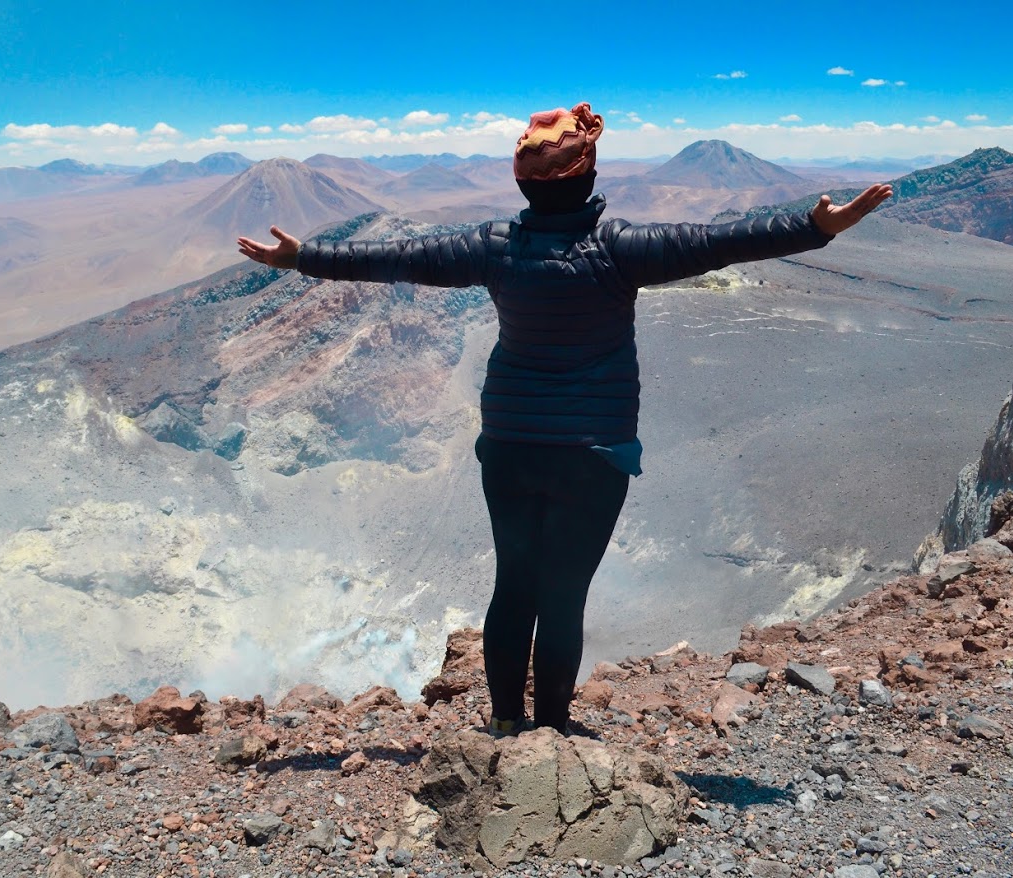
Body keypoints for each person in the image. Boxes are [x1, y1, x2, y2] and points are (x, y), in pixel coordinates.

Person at [239, 102, 892, 735]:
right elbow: (717, 243)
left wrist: (305, 257)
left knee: (513, 587)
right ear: (589, 175)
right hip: (592, 453)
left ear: (522, 183)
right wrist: (813, 228)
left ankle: (504, 722)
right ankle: (550, 735)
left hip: (510, 447)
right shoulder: (622, 248)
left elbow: (401, 257)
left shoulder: (492, 247)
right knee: (562, 596)